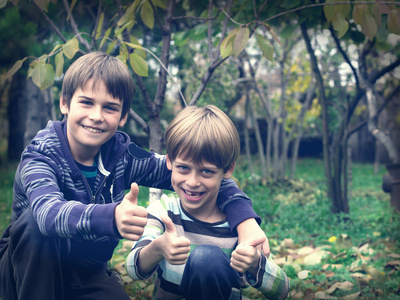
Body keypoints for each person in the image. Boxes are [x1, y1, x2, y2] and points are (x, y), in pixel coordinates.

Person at [0, 53, 268, 300]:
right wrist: (111, 216)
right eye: (86, 102)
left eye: (110, 107)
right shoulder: (41, 155)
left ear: (123, 115)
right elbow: (48, 215)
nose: (96, 116)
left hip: (86, 273)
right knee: (34, 223)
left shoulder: (123, 156)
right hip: (24, 273)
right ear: (65, 103)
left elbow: (195, 171)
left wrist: (246, 223)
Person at [126, 105, 289, 300]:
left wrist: (255, 263)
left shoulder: (239, 226)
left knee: (206, 259)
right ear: (169, 162)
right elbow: (133, 269)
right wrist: (158, 247)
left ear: (227, 170)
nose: (193, 182)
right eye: (184, 168)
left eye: (207, 171)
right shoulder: (163, 211)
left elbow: (283, 291)